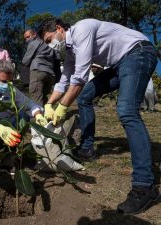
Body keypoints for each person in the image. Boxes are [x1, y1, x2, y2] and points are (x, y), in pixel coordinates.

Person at [39, 18, 159, 215]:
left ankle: (145, 187)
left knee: (127, 111)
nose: (51, 46)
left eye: (49, 39)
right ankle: (87, 149)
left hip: (138, 53)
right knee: (86, 96)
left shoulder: (82, 29)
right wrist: (49, 104)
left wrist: (62, 107)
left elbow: (79, 78)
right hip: (119, 63)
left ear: (59, 29)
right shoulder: (69, 52)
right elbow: (64, 81)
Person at [22, 29, 58, 106]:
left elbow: (25, 61)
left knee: (36, 99)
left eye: (28, 37)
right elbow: (57, 57)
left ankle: (39, 117)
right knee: (44, 98)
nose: (27, 40)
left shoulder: (34, 43)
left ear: (34, 34)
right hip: (50, 74)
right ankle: (47, 115)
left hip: (38, 71)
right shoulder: (49, 47)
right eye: (25, 38)